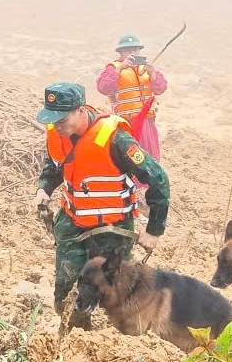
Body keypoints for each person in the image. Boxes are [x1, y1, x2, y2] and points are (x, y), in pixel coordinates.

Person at [34, 82, 170, 328]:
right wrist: (44, 188)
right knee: (66, 294)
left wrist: (154, 230)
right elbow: (54, 165)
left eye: (62, 119)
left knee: (118, 293)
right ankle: (76, 334)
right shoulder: (57, 134)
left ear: (80, 110)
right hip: (73, 224)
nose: (57, 126)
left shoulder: (115, 138)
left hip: (113, 229)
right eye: (53, 120)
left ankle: (121, 337)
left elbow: (158, 178)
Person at [96, 34, 168, 161]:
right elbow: (103, 88)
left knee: (150, 157)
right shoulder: (113, 68)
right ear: (121, 52)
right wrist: (120, 69)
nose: (132, 53)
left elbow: (161, 88)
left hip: (147, 123)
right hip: (126, 123)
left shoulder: (147, 68)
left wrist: (153, 74)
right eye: (128, 50)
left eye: (135, 49)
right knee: (130, 158)